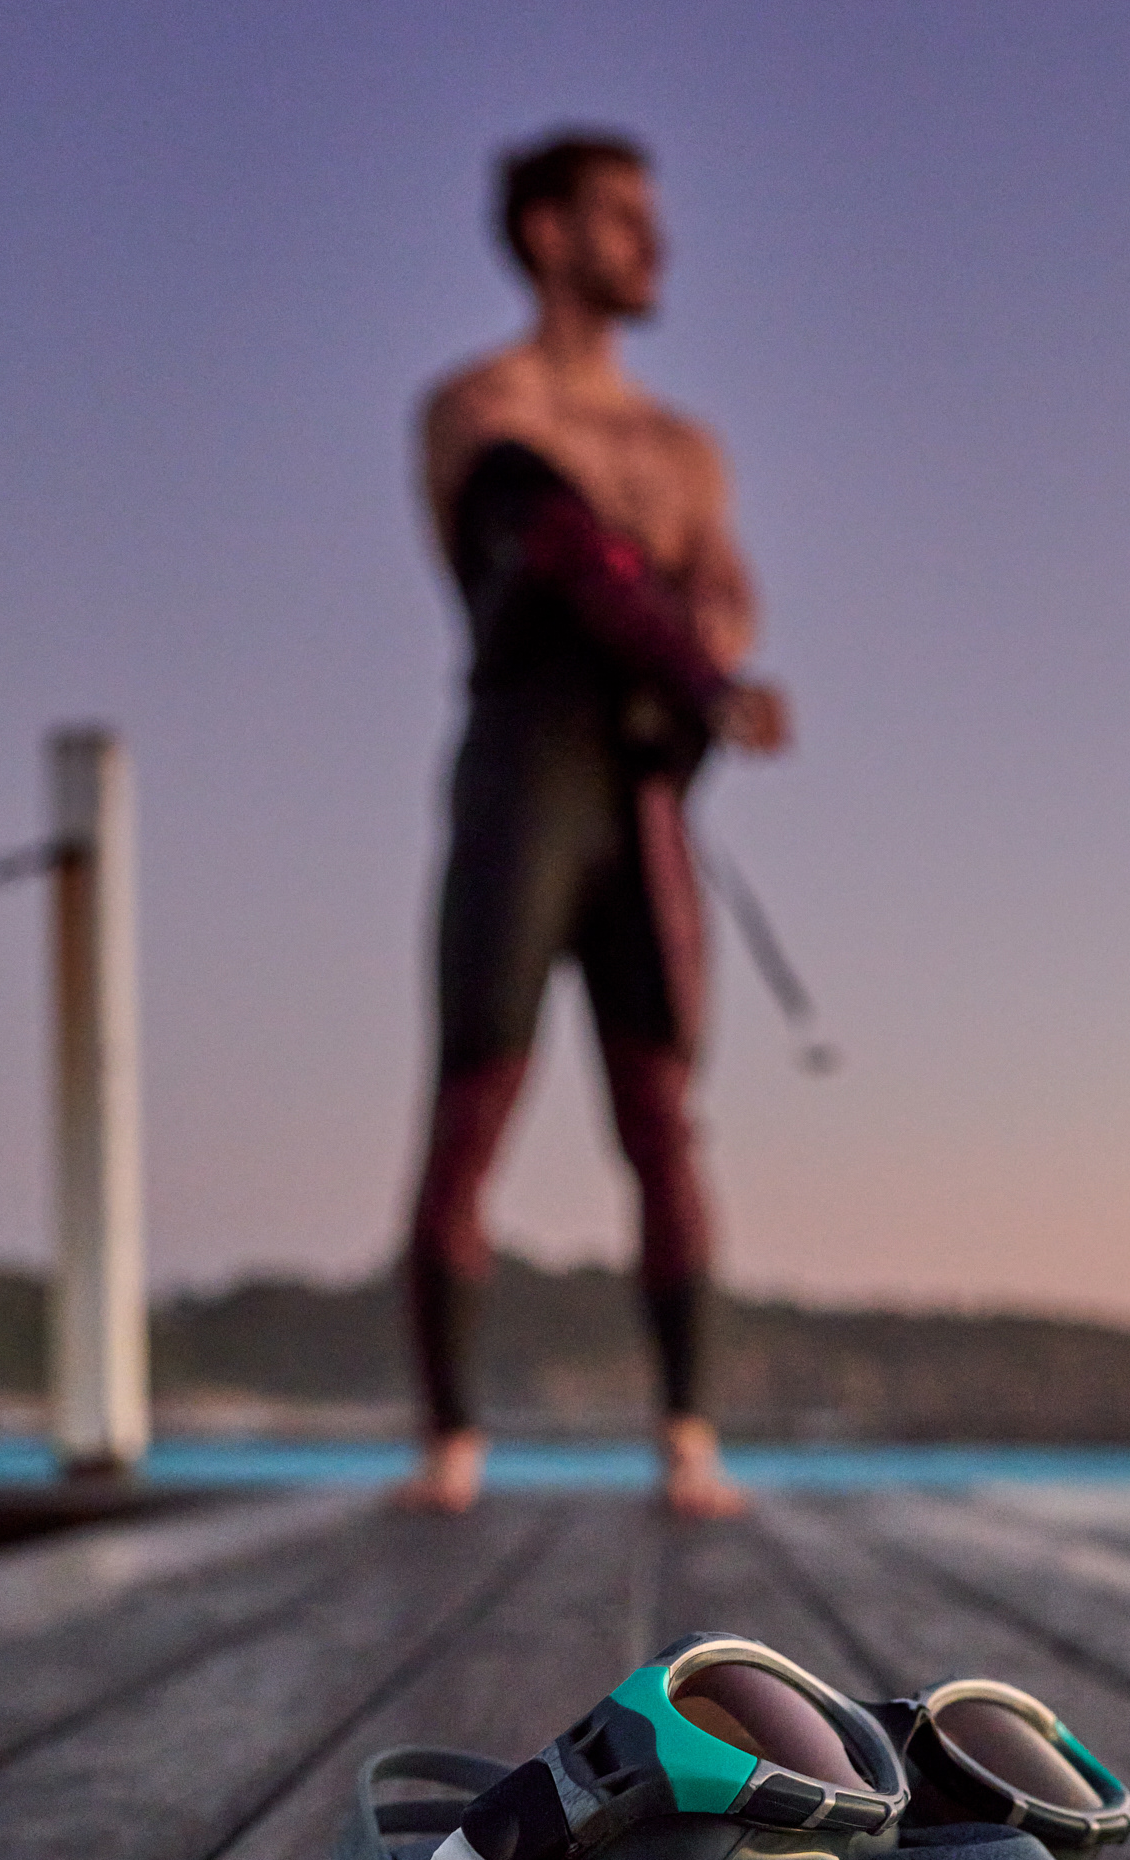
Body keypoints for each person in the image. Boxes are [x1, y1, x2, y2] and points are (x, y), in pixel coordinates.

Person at [394, 129, 791, 1517]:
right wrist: (693, 663)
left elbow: (725, 602)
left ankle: (686, 1433)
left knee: (663, 1111)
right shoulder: (476, 405)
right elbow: (548, 553)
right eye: (622, 217)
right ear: (547, 232)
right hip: (526, 768)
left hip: (640, 792)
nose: (653, 245)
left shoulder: (687, 450)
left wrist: (706, 673)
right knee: (474, 1091)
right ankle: (449, 1441)